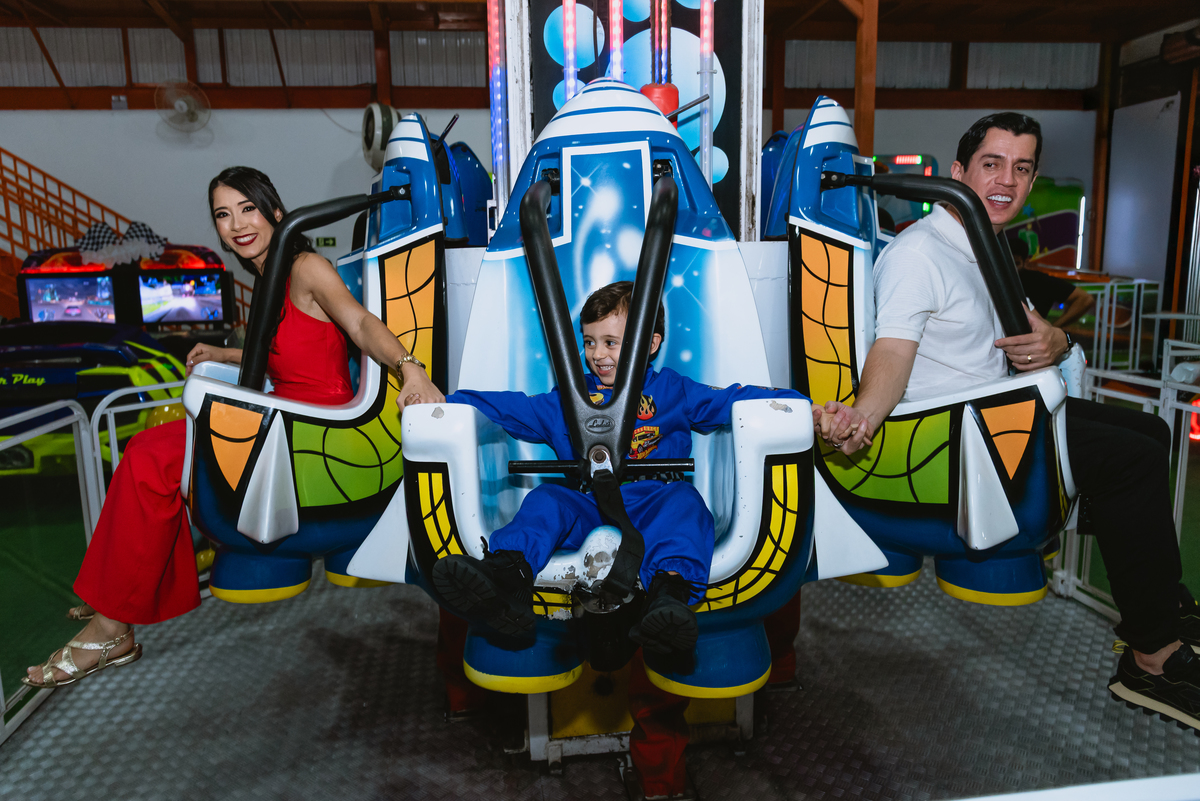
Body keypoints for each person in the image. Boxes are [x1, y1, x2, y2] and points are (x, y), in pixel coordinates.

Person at [813, 113, 1200, 731]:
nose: (1006, 181)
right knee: (1134, 461)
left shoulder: (986, 245)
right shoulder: (920, 254)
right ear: (959, 173)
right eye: (991, 164)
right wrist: (862, 417)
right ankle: (1152, 659)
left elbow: (1035, 336)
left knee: (1151, 433)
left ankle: (1154, 599)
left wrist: (1059, 341)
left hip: (1006, 412)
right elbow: (890, 354)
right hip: (964, 437)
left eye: (1021, 168)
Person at [25, 166, 443, 688]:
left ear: (276, 213)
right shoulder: (266, 275)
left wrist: (410, 367)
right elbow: (284, 352)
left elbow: (358, 324)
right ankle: (115, 600)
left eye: (247, 209)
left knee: (152, 457)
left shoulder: (305, 265)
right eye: (223, 214)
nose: (236, 224)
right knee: (148, 451)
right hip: (281, 411)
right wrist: (225, 351)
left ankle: (115, 625)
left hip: (313, 428)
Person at [409, 280, 806, 656]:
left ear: (650, 344)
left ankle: (668, 596)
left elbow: (739, 399)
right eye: (589, 343)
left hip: (654, 506)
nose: (598, 354)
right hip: (588, 507)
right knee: (547, 499)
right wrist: (440, 401)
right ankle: (506, 574)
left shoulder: (673, 391)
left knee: (685, 503)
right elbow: (507, 407)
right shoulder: (570, 398)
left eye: (611, 343)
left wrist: (805, 408)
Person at [1013, 238, 1095, 328]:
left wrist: (1054, 329)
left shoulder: (1040, 281)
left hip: (1030, 337)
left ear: (1026, 262)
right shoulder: (998, 280)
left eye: (1016, 263)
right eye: (1007, 262)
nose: (1011, 268)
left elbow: (1085, 299)